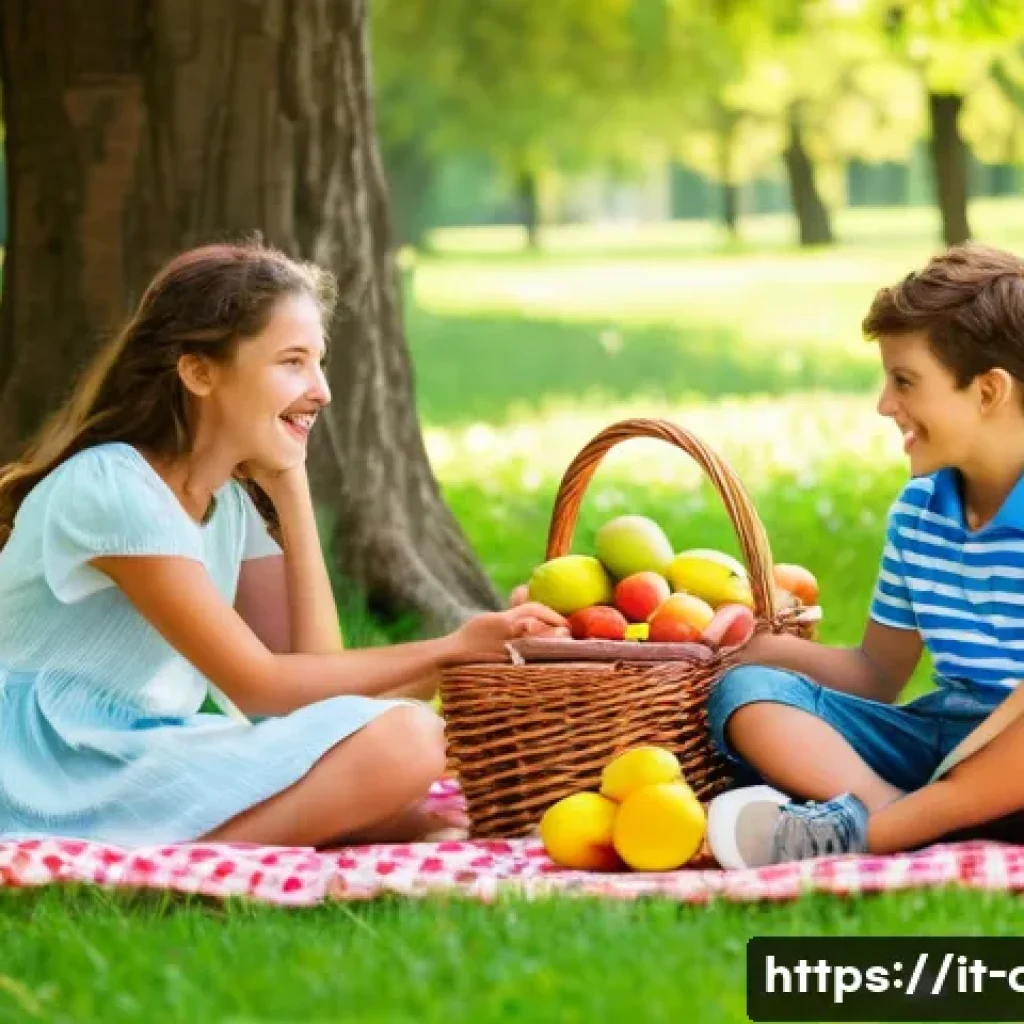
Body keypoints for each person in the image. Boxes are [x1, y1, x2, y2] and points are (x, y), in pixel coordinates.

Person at [0, 240, 567, 850]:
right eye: (292, 362)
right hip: (41, 763)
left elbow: (306, 701)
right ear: (199, 372)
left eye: (318, 363)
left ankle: (300, 829)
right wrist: (451, 651)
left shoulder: (230, 506)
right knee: (411, 742)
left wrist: (292, 493)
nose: (321, 390)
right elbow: (259, 685)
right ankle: (200, 855)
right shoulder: (113, 485)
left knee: (408, 741)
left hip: (142, 749)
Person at [704, 241, 1024, 869]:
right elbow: (877, 674)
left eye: (905, 381)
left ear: (988, 391)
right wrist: (757, 650)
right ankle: (890, 813)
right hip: (942, 743)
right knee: (748, 693)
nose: (885, 404)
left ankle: (879, 832)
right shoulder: (918, 512)